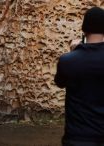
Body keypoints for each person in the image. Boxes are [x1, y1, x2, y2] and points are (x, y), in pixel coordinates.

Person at [55, 7, 104, 146]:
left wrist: (72, 53)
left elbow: (60, 82)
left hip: (77, 137)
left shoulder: (68, 60)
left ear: (84, 30)